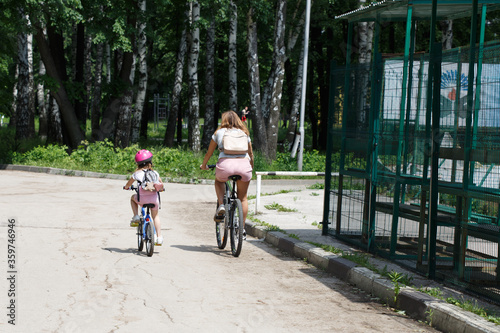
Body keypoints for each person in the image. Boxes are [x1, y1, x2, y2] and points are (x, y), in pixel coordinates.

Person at [200, 110, 254, 234]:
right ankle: (242, 229)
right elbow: (251, 154)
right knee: (243, 198)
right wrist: (250, 166)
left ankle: (221, 205)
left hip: (225, 167)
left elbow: (209, 153)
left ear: (223, 120)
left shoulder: (219, 133)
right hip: (244, 166)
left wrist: (204, 165)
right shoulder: (244, 133)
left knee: (219, 181)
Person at [124, 149, 164, 246]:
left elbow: (128, 184)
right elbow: (161, 185)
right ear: (150, 162)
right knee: (155, 216)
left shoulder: (136, 174)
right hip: (154, 200)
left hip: (141, 200)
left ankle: (136, 216)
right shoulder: (155, 173)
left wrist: (126, 187)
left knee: (132, 198)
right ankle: (159, 238)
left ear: (138, 164)